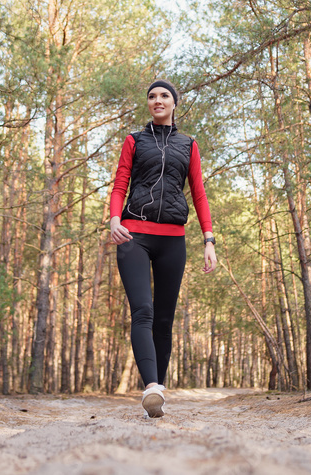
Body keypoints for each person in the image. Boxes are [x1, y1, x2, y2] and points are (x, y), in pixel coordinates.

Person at [108, 79, 217, 418]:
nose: (157, 100)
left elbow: (198, 193)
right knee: (143, 310)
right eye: (152, 96)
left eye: (164, 96)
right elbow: (120, 184)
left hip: (173, 238)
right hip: (133, 236)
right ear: (149, 104)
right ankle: (151, 387)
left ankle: (158, 394)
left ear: (174, 103)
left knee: (165, 319)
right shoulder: (134, 141)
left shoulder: (188, 144)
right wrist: (114, 219)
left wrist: (209, 239)